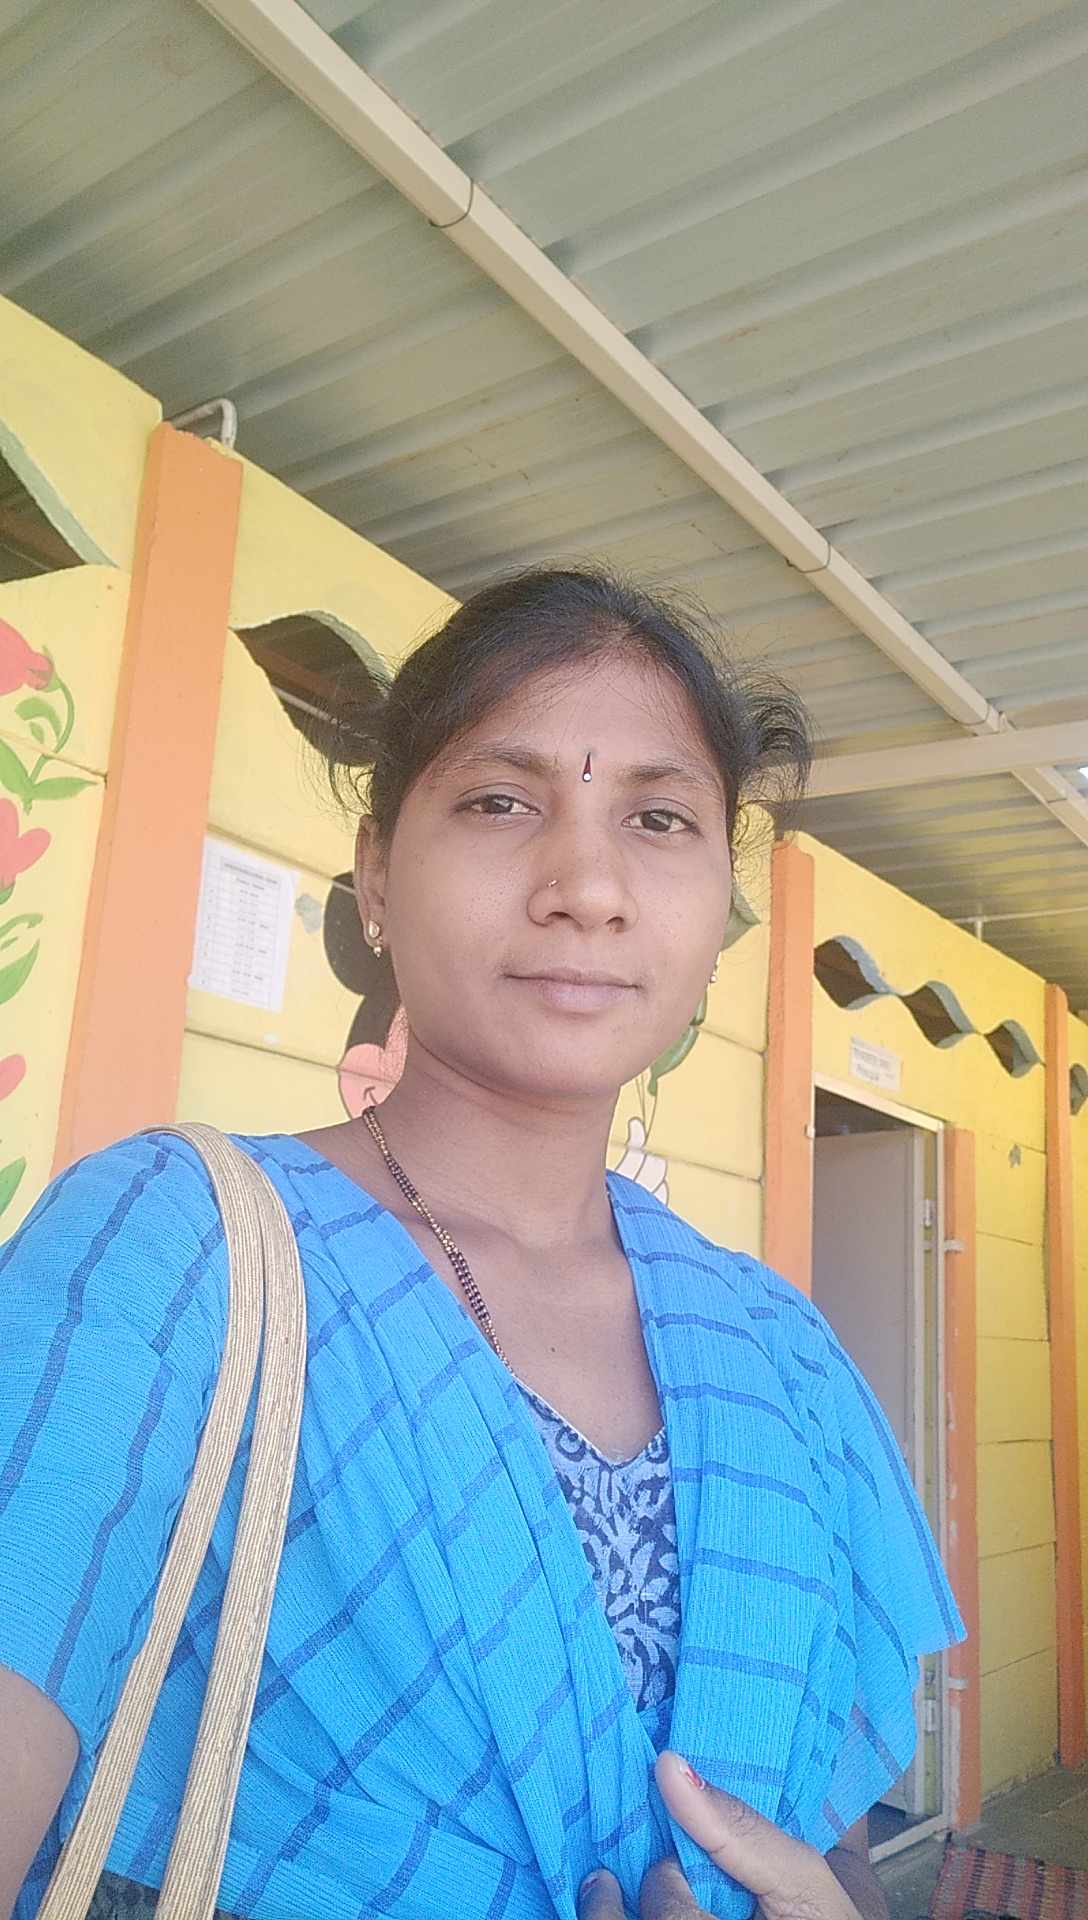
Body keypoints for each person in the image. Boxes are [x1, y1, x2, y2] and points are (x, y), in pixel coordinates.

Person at [0, 569, 962, 1920]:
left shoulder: (781, 1354)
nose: (588, 887)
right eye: (503, 801)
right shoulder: (172, 1258)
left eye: (660, 818)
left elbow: (822, 1836)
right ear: (377, 876)